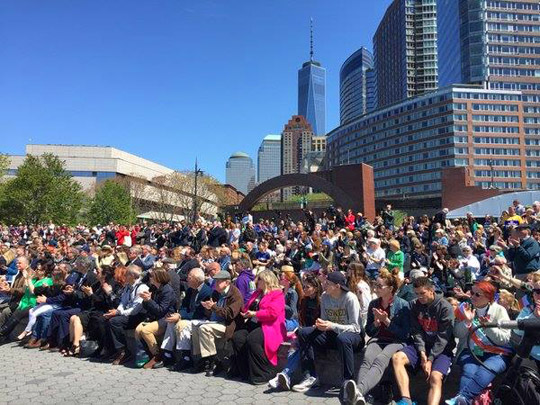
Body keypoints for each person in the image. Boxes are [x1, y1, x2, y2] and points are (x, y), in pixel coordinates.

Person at [341, 268, 411, 405]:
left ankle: (359, 392)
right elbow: (369, 331)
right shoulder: (374, 304)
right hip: (379, 339)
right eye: (375, 285)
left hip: (396, 342)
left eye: (379, 286)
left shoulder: (402, 305)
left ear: (390, 288)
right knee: (367, 359)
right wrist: (376, 324)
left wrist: (387, 322)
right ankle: (360, 396)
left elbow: (405, 334)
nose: (376, 288)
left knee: (380, 360)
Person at [293, 271, 364, 393]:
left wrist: (332, 326)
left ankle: (348, 381)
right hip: (332, 334)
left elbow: (356, 327)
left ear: (337, 286)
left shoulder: (350, 298)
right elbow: (326, 321)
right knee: (303, 333)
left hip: (353, 337)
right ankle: (311, 376)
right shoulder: (325, 297)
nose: (324, 285)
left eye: (328, 283)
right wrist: (321, 324)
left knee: (343, 338)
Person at [446, 281, 513, 405]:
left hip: (497, 353)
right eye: (472, 293)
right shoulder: (464, 307)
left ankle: (463, 398)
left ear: (489, 297)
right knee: (468, 371)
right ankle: (463, 400)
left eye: (477, 294)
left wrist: (487, 327)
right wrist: (467, 322)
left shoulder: (499, 310)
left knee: (487, 368)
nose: (472, 296)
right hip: (471, 351)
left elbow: (504, 339)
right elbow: (457, 334)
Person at [392, 277, 455, 405]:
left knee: (435, 377)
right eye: (417, 294)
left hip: (442, 349)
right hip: (421, 346)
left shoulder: (445, 308)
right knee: (397, 358)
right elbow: (416, 331)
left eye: (422, 293)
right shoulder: (414, 305)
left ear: (431, 290)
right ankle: (406, 400)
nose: (419, 297)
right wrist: (421, 352)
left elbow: (443, 338)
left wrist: (430, 359)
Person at [230, 270, 286, 384]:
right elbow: (248, 307)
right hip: (254, 322)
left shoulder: (277, 294)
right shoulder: (257, 293)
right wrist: (245, 312)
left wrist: (255, 314)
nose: (256, 281)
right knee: (237, 337)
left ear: (266, 280)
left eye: (259, 279)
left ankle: (264, 372)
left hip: (270, 325)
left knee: (253, 340)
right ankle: (245, 371)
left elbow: (273, 313)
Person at [160, 267, 213, 371]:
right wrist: (178, 315)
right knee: (171, 322)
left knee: (183, 325)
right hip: (191, 317)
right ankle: (167, 353)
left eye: (189, 277)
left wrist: (180, 316)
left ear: (196, 280)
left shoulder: (207, 292)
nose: (187, 279)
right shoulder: (190, 290)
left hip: (202, 319)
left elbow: (199, 312)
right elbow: (184, 307)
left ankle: (186, 357)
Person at [196, 270, 243, 376]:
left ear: (227, 283)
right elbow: (213, 310)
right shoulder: (216, 292)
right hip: (215, 321)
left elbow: (229, 314)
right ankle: (202, 358)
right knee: (195, 327)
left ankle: (214, 361)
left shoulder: (235, 295)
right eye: (215, 281)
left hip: (227, 324)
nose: (215, 284)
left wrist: (213, 307)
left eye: (218, 282)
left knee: (204, 329)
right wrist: (208, 307)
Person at [102, 265, 149, 365]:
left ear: (132, 275)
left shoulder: (142, 288)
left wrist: (118, 313)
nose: (125, 276)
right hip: (126, 313)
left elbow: (135, 310)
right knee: (106, 319)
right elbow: (123, 302)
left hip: (137, 316)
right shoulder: (128, 287)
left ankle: (123, 351)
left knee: (114, 321)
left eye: (126, 274)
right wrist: (117, 311)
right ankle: (111, 350)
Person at [135, 268, 177, 369]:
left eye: (152, 276)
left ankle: (157, 355)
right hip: (155, 317)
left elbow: (161, 310)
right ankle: (146, 354)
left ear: (158, 277)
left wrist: (149, 300)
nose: (150, 278)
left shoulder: (167, 290)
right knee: (138, 330)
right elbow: (147, 307)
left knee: (146, 330)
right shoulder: (153, 288)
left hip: (166, 318)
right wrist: (145, 300)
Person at [347, 262, 372, 328]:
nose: (347, 270)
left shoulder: (361, 286)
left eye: (350, 268)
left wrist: (362, 316)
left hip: (360, 316)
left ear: (356, 271)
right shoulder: (352, 283)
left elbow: (366, 304)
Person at [279, 265, 303, 332]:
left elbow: (292, 311)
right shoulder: (282, 291)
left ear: (288, 280)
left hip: (291, 321)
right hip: (283, 318)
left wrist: (281, 304)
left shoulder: (293, 293)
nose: (279, 280)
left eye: (281, 279)